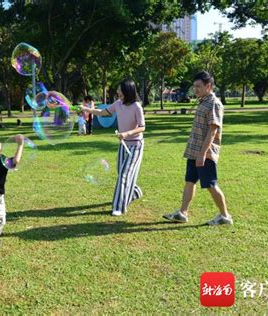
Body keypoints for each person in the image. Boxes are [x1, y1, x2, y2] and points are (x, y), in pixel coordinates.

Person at [162, 71, 232, 225]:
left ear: (209, 86)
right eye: (194, 86)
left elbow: (213, 130)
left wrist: (203, 154)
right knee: (190, 181)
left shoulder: (214, 103)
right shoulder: (203, 101)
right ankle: (182, 213)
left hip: (204, 153)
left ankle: (225, 216)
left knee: (211, 184)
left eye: (198, 86)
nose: (195, 89)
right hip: (194, 152)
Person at [81, 78, 145, 216]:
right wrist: (87, 109)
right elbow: (103, 112)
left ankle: (119, 207)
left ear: (128, 92)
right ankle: (135, 192)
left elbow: (142, 127)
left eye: (120, 92)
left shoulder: (136, 107)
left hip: (135, 146)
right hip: (123, 144)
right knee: (121, 172)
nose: (118, 94)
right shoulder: (118, 104)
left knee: (124, 175)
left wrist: (127, 133)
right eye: (118, 93)